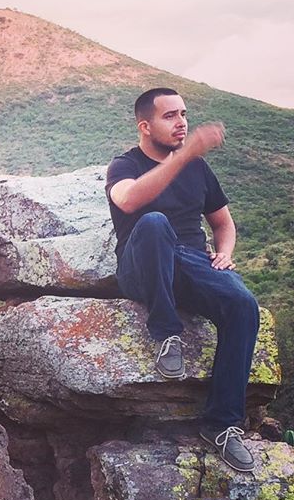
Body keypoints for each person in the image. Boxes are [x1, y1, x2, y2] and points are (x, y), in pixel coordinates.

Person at [105, 87, 260, 472]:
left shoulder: (198, 169)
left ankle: (222, 425)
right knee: (155, 223)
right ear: (145, 126)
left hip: (191, 263)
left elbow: (223, 224)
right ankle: (166, 332)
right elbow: (128, 201)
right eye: (170, 116)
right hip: (142, 267)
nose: (182, 122)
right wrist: (186, 154)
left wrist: (225, 251)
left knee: (243, 305)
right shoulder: (124, 165)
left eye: (184, 114)